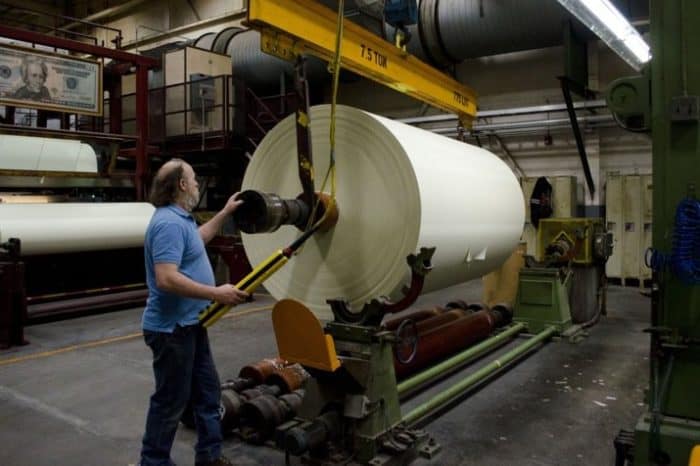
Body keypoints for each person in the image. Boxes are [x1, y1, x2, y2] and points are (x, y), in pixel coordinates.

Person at [139, 158, 248, 466]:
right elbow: (166, 278)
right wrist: (217, 293)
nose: (198, 184)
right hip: (172, 330)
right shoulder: (168, 223)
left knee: (208, 394)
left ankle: (209, 457)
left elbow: (197, 241)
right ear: (182, 185)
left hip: (191, 325)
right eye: (194, 179)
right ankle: (153, 462)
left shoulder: (181, 220)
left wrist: (225, 212)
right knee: (171, 402)